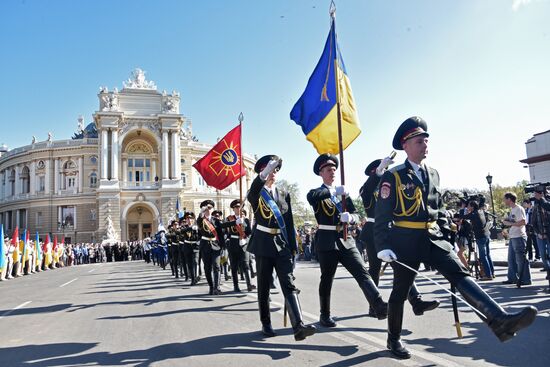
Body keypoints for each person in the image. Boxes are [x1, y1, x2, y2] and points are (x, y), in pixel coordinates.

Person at [374, 117, 537, 359]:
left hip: (433, 238)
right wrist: (383, 245)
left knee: (460, 273)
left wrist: (445, 233)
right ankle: (394, 339)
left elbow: (438, 209)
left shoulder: (434, 174)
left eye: (426, 140)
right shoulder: (394, 176)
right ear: (406, 145)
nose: (425, 144)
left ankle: (499, 320)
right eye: (420, 141)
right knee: (400, 291)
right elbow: (382, 214)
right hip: (405, 240)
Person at [306, 154, 388, 328]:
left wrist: (350, 217)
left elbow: (358, 213)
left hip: (345, 239)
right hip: (327, 240)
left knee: (361, 272)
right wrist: (332, 191)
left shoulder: (343, 193)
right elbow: (311, 197)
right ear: (321, 173)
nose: (332, 172)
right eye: (328, 169)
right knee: (327, 278)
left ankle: (378, 304)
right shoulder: (320, 192)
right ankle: (324, 314)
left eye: (334, 169)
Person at [247, 154, 316, 341]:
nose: (273, 173)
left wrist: (293, 247)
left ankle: (298, 325)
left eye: (275, 170)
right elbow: (252, 192)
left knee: (288, 283)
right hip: (263, 243)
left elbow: (289, 220)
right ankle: (266, 323)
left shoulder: (284, 193)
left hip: (282, 244)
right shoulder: (256, 193)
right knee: (263, 286)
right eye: (269, 170)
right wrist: (263, 175)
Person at [360, 158, 439, 317]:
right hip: (375, 232)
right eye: (382, 170)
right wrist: (378, 173)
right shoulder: (369, 189)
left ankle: (416, 302)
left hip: (393, 231)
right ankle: (374, 305)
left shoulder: (394, 184)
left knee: (403, 269)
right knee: (374, 270)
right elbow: (367, 190)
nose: (386, 171)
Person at [197, 200, 227, 295]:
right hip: (205, 246)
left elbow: (221, 234)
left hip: (215, 246)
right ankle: (211, 285)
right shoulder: (201, 220)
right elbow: (199, 221)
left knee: (217, 266)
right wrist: (201, 213)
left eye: (210, 208)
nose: (208, 210)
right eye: (206, 208)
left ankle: (216, 288)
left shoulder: (216, 221)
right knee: (207, 268)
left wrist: (223, 246)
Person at [502, 192, 532, 286]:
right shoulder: (512, 209)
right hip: (513, 236)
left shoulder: (518, 209)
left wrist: (509, 224)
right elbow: (514, 221)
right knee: (511, 259)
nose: (503, 201)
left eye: (504, 199)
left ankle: (526, 279)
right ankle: (512, 278)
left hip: (519, 236)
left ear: (509, 199)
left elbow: (523, 222)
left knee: (521, 259)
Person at [460, 200, 494, 280]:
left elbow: (462, 217)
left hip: (480, 237)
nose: (467, 207)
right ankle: (492, 273)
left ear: (472, 206)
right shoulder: (480, 211)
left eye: (468, 206)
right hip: (486, 235)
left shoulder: (473, 214)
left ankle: (488, 275)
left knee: (483, 256)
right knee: (487, 255)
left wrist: (462, 208)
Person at [226, 199, 255, 292]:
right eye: (236, 207)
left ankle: (249, 284)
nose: (238, 209)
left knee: (246, 264)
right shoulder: (229, 218)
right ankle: (236, 286)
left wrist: (245, 237)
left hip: (243, 244)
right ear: (233, 209)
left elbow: (250, 232)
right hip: (233, 244)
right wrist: (235, 222)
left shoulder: (245, 219)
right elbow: (223, 226)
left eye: (240, 207)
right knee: (234, 266)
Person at [530, 187, 550, 271]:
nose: (535, 196)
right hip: (540, 235)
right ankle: (547, 269)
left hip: (548, 234)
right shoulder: (536, 206)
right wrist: (538, 233)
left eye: (537, 194)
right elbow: (533, 222)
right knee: (542, 254)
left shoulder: (547, 204)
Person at [181, 211, 201, 285]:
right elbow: (181, 231)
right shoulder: (184, 227)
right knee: (189, 264)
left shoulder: (197, 226)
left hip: (195, 246)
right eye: (187, 218)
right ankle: (193, 279)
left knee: (195, 261)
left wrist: (198, 242)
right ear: (186, 220)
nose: (189, 220)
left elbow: (201, 235)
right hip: (187, 247)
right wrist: (190, 228)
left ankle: (196, 276)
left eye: (190, 218)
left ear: (193, 219)